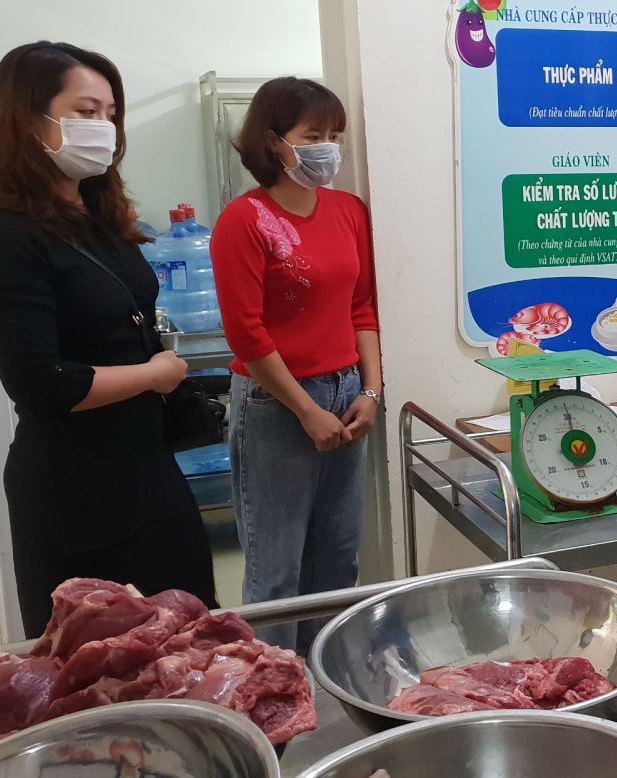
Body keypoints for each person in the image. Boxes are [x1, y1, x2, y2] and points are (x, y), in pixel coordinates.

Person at [0, 41, 218, 634]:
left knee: (190, 640)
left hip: (147, 466)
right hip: (78, 490)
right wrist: (154, 374)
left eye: (110, 114)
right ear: (28, 120)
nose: (103, 128)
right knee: (104, 664)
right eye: (84, 112)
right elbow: (40, 382)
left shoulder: (98, 220)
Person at [210, 77, 381, 652]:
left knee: (337, 558)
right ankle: (275, 692)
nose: (328, 147)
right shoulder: (245, 219)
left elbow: (362, 307)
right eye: (313, 135)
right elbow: (246, 334)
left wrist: (371, 392)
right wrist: (306, 410)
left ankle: (326, 685)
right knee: (276, 570)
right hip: (276, 404)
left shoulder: (349, 211)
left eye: (335, 135)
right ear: (273, 141)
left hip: (347, 392)